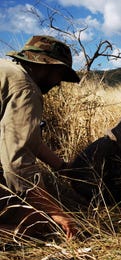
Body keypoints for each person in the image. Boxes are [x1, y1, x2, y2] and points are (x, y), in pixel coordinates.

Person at [0, 35, 79, 239]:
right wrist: (56, 213)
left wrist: (62, 166)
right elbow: (18, 165)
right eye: (60, 74)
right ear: (47, 66)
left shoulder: (6, 72)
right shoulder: (25, 88)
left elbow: (25, 138)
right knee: (37, 220)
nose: (59, 83)